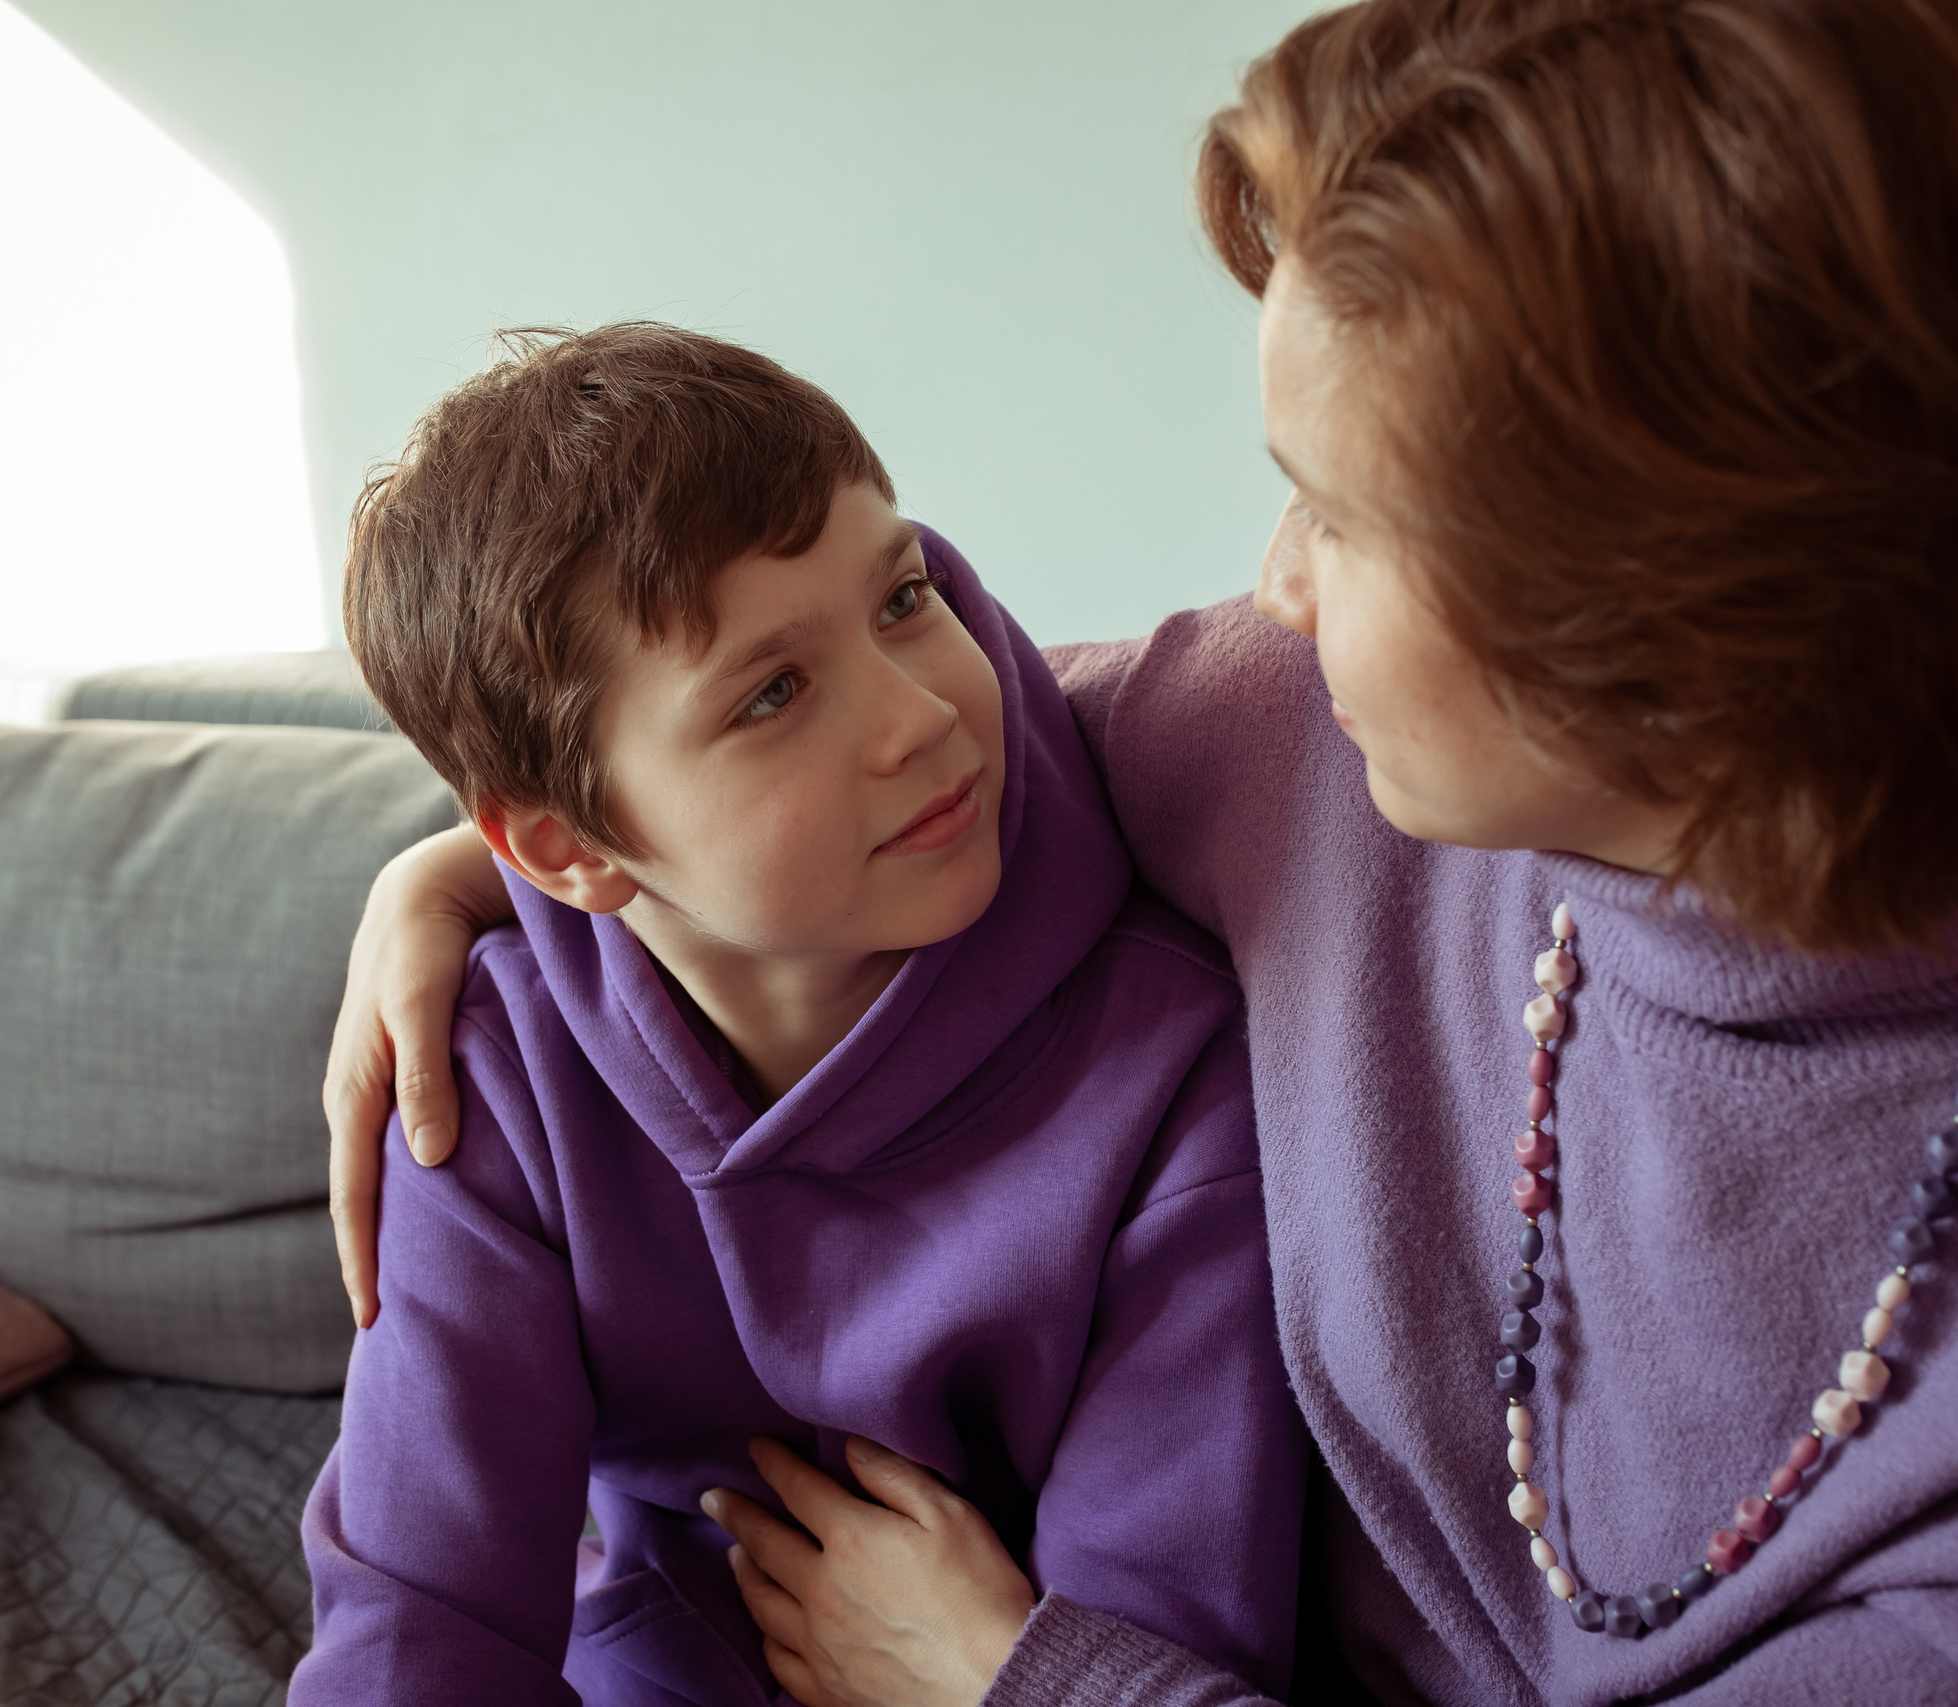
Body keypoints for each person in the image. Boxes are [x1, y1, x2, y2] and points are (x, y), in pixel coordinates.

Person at [322, 0, 1958, 1700]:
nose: (1274, 589)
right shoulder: (1297, 742)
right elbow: (831, 756)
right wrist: (481, 885)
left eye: (1340, 515)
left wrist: (1028, 1684)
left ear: (1691, 616)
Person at [290, 325, 1310, 1707]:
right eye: (772, 694)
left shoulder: (1170, 1067)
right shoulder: (497, 1074)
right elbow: (420, 1620)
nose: (922, 717)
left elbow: (1176, 1629)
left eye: (902, 598)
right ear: (568, 847)